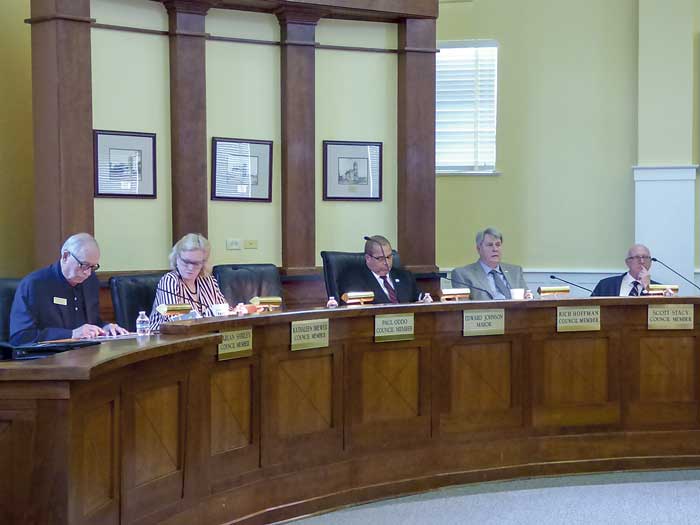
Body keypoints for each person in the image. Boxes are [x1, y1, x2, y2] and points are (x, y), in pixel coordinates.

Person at [9, 233, 128, 345]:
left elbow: (92, 323)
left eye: (92, 267)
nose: (87, 273)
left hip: (84, 354)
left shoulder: (90, 281)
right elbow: (21, 337)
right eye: (84, 265)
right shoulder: (35, 285)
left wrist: (105, 328)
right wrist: (71, 334)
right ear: (65, 256)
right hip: (48, 359)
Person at [149, 233, 227, 330]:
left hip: (204, 335)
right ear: (177, 258)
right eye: (186, 262)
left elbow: (223, 310)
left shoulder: (208, 280)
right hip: (165, 339)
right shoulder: (170, 280)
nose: (190, 268)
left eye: (196, 263)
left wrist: (235, 310)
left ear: (203, 263)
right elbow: (174, 320)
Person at [337, 235, 430, 305]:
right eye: (381, 258)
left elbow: (419, 298)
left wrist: (425, 300)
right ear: (368, 258)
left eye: (389, 257)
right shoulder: (353, 279)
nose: (386, 262)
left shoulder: (405, 276)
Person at [451, 227, 529, 301]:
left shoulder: (515, 271)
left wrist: (529, 297)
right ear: (478, 249)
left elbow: (527, 297)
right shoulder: (462, 275)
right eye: (490, 245)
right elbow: (464, 308)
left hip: (517, 314)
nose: (495, 249)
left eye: (498, 245)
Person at [591, 244, 663, 296]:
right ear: (627, 262)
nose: (642, 261)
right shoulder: (605, 285)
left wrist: (648, 287)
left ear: (650, 262)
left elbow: (658, 313)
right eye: (637, 257)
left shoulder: (660, 290)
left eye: (645, 257)